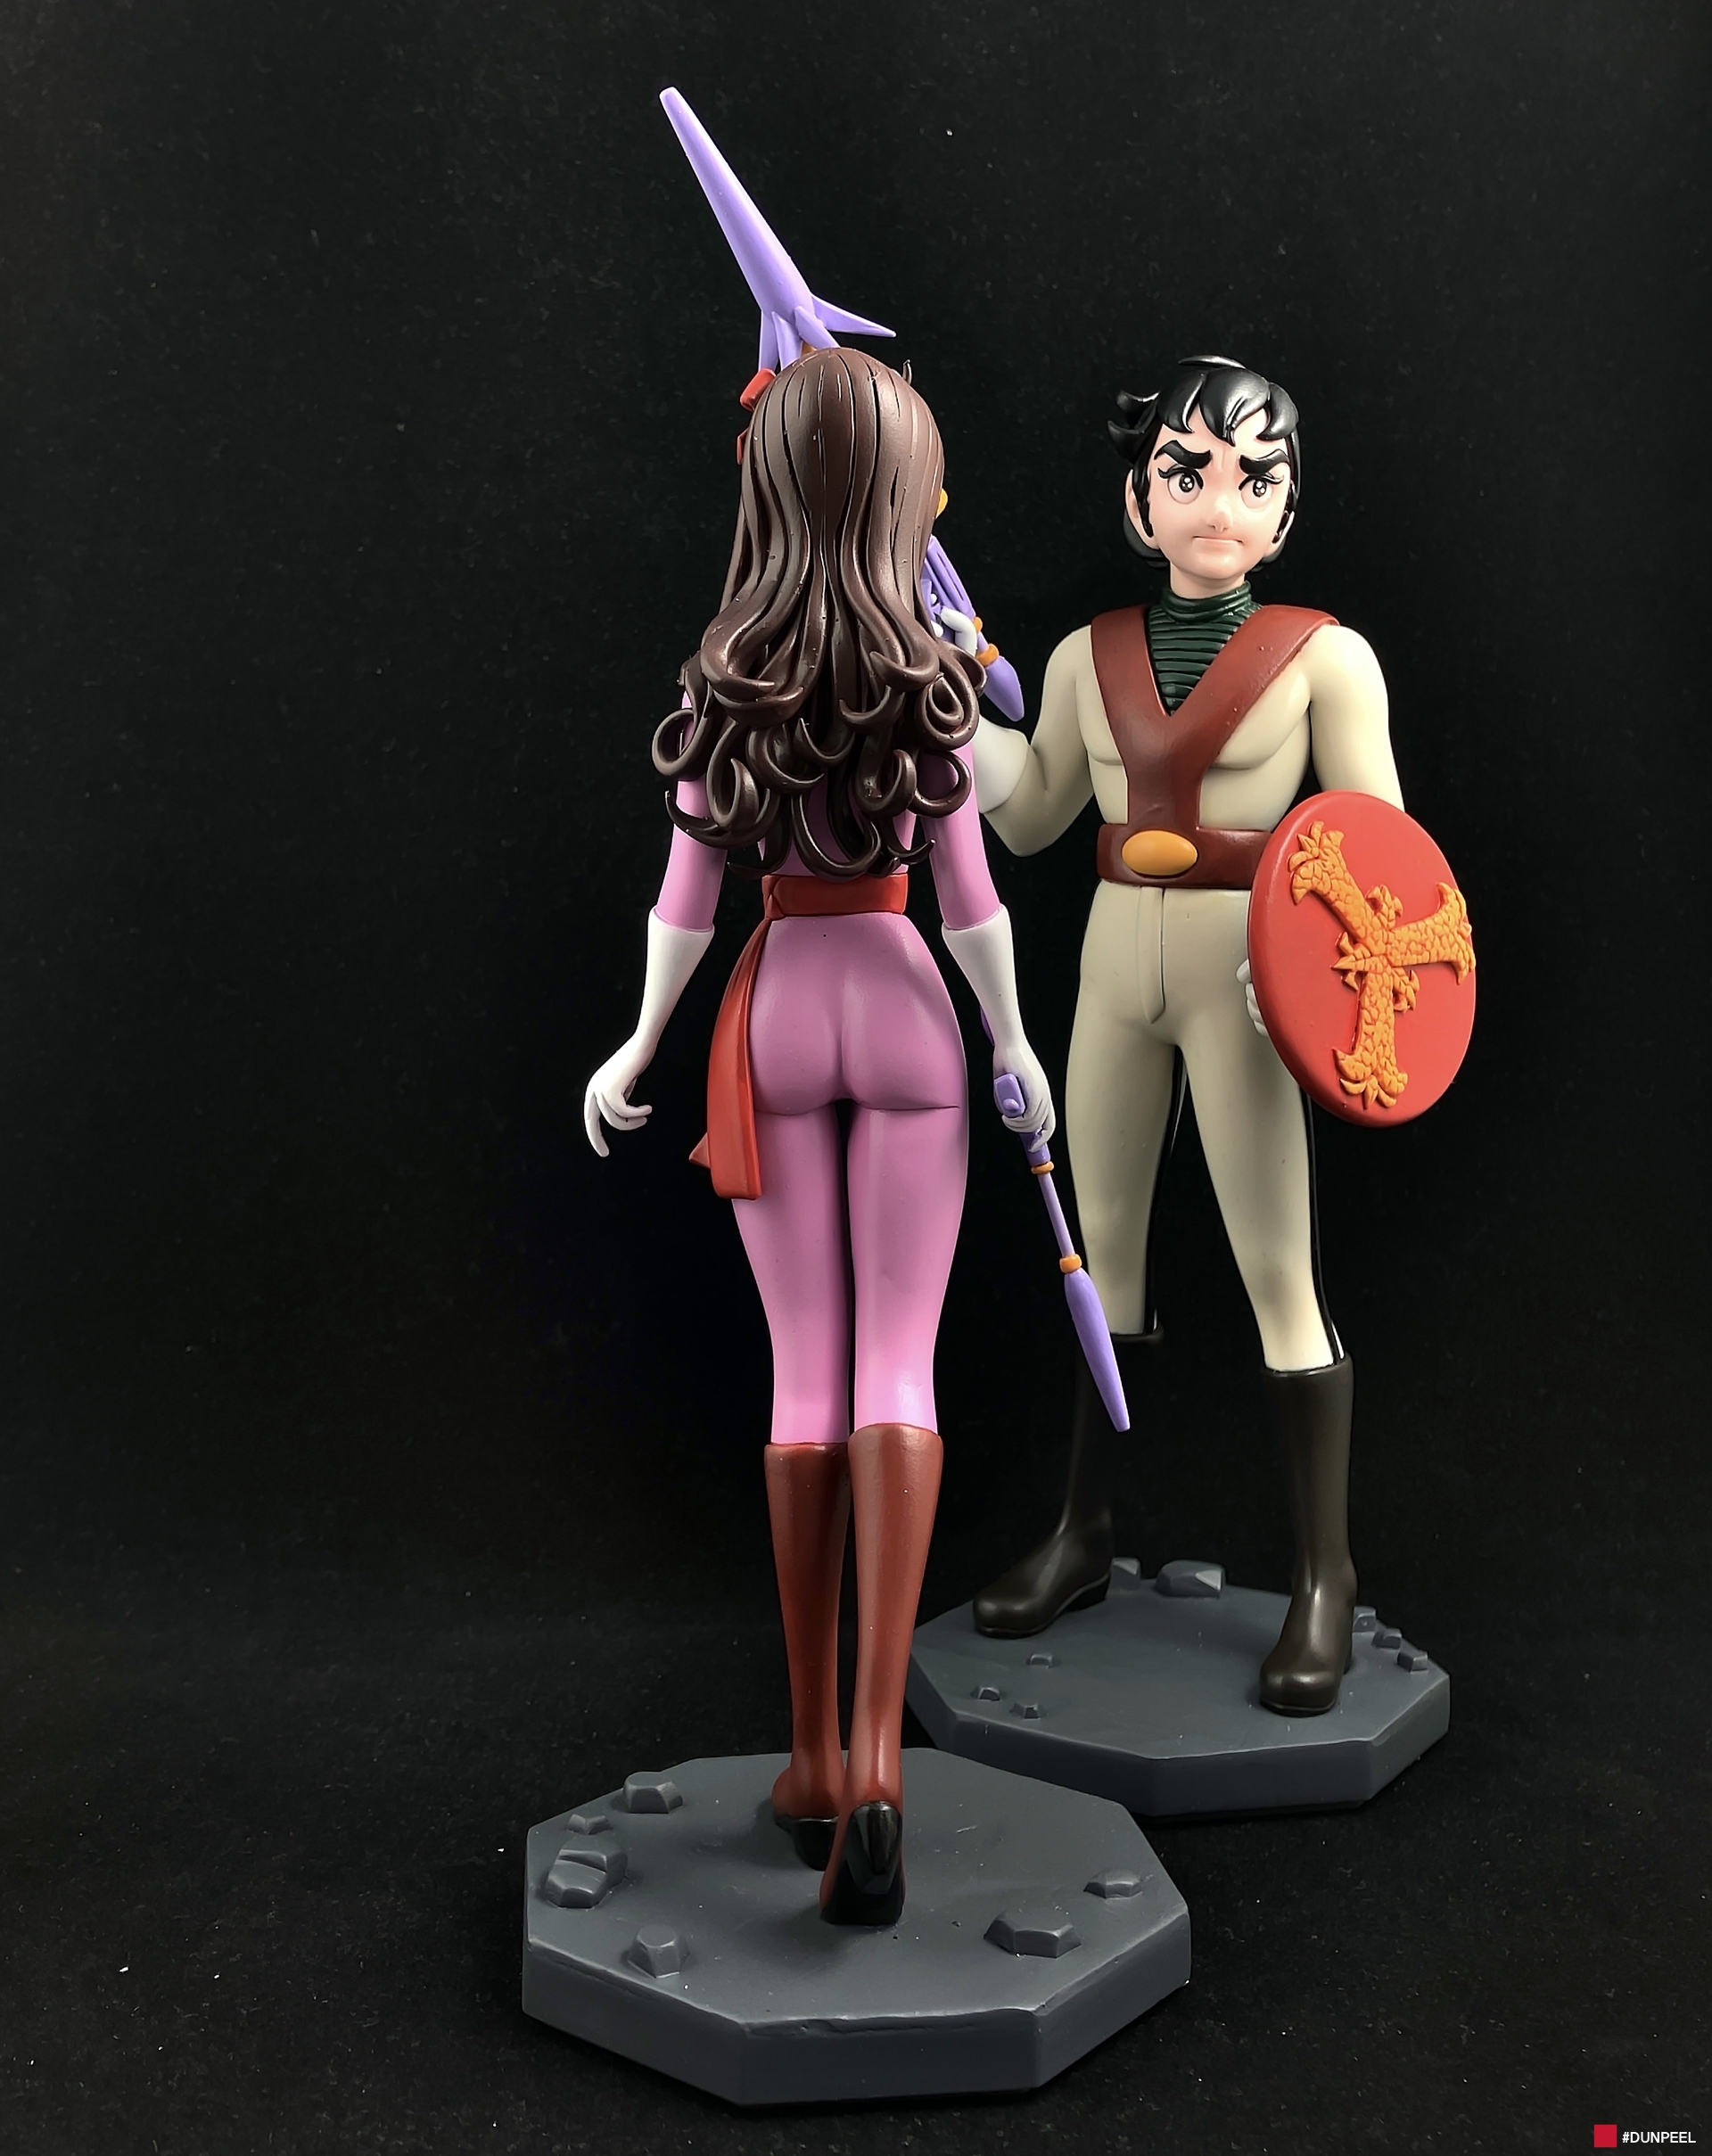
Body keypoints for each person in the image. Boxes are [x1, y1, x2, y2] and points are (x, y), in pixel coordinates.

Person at [584, 347, 1054, 1921]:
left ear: (768, 492)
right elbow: (974, 906)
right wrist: (1014, 1044)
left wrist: (641, 1041)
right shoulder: (930, 684)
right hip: (906, 1005)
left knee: (806, 1376)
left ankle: (807, 1755)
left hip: (778, 1006)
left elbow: (684, 905)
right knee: (898, 1367)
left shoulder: (725, 685)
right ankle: (879, 1761)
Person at [969, 355, 1403, 1714]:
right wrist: (947, 713)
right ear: (1137, 498)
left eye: (1254, 478)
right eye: (1187, 470)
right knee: (1099, 1248)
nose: (1220, 501)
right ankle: (1083, 1530)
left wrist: (1322, 987)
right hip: (1115, 962)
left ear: (1287, 511)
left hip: (1247, 972)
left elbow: (1379, 858)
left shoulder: (1326, 659)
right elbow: (1031, 814)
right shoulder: (1081, 657)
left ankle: (1324, 1573)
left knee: (1279, 1266)